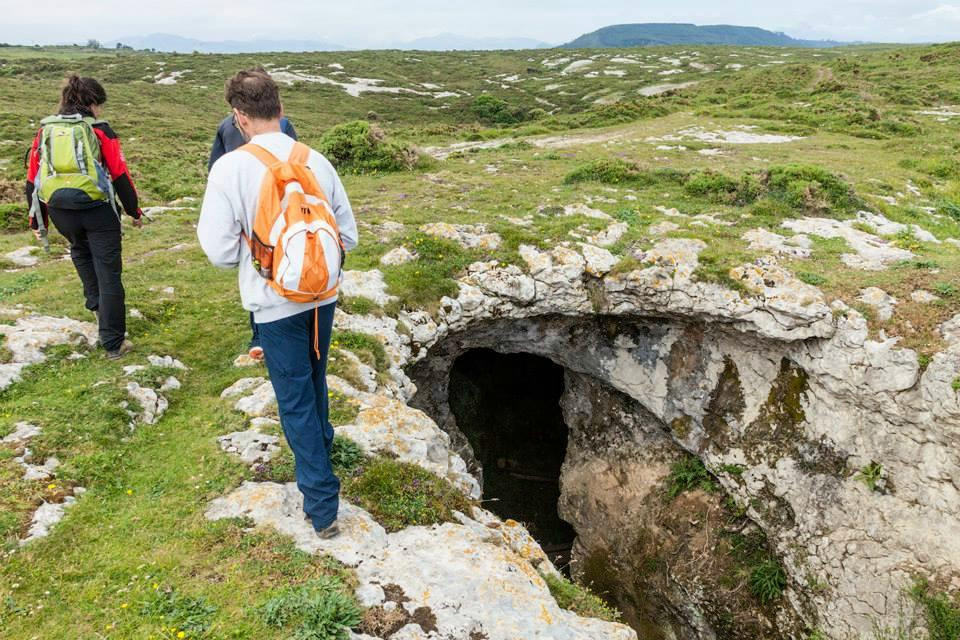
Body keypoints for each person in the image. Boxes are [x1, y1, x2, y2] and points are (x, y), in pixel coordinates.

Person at [198, 69, 357, 539]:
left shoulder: (230, 168)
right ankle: (323, 452)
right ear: (280, 110)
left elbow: (219, 251)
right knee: (314, 379)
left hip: (274, 305)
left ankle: (322, 506)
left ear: (239, 116)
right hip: (322, 297)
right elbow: (348, 234)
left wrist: (264, 258)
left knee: (294, 402)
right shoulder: (316, 160)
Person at [25, 75, 144, 359]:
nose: (100, 111)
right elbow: (119, 175)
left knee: (80, 252)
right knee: (109, 273)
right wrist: (134, 212)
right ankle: (113, 343)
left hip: (59, 210)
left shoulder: (45, 130)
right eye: (99, 105)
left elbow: (32, 179)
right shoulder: (101, 130)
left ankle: (98, 310)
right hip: (98, 212)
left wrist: (36, 222)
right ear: (91, 103)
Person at [208, 72, 298, 362]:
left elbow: (215, 167)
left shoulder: (226, 128)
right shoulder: (287, 129)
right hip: (288, 209)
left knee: (257, 266)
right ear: (278, 107)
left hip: (247, 208)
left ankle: (258, 337)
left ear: (239, 114)